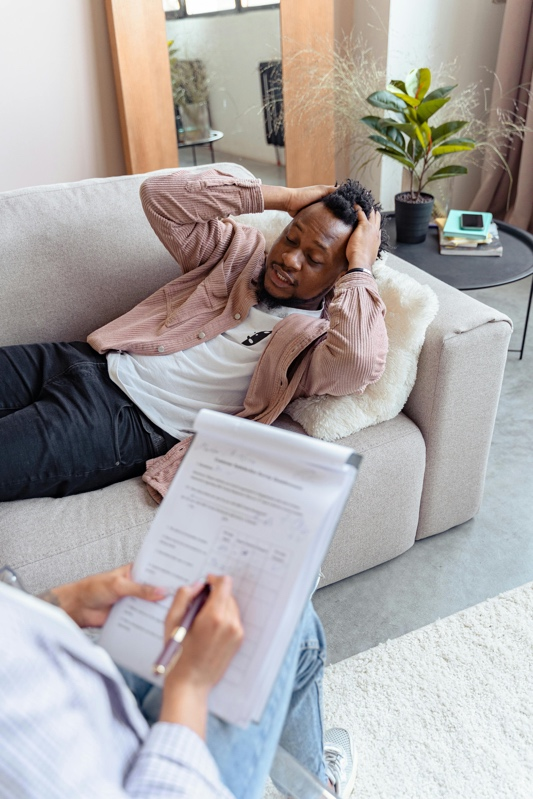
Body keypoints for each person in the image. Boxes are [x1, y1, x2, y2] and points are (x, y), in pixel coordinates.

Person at [0, 169, 388, 502]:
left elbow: (358, 362)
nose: (289, 258)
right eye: (291, 238)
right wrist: (285, 198)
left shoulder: (317, 342)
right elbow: (160, 197)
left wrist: (360, 267)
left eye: (314, 258)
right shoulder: (238, 255)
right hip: (83, 359)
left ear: (340, 276)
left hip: (126, 421)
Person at [0, 564, 356, 799]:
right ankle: (317, 787)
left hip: (89, 701)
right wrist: (190, 686)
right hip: (151, 777)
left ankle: (312, 784)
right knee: (284, 623)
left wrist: (64, 602)